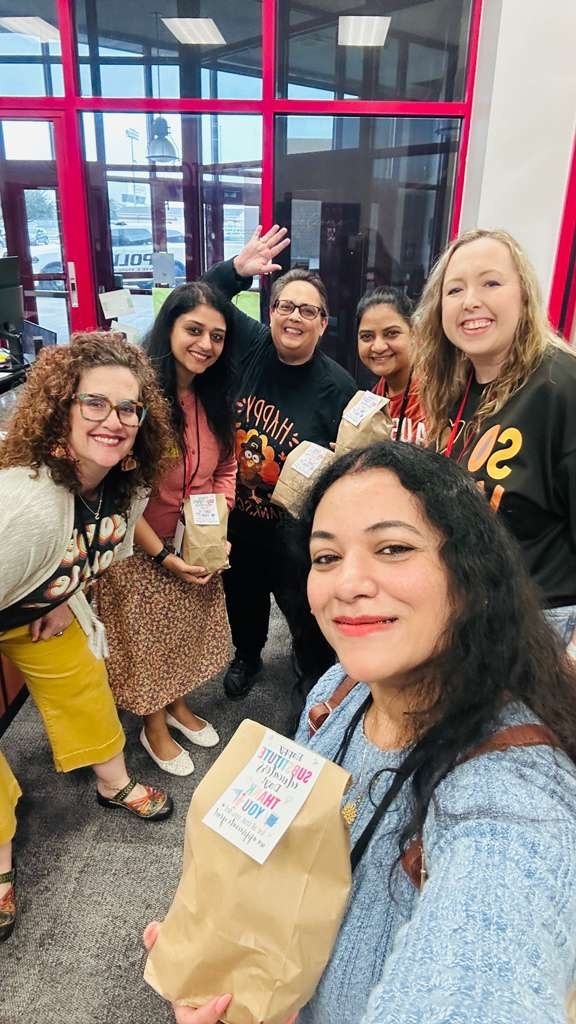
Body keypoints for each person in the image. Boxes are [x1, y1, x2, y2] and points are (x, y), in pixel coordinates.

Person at [145, 441, 576, 1023]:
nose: (347, 584)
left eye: (393, 548)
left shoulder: (511, 798)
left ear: (472, 573)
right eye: (326, 558)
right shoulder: (335, 693)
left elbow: (488, 959)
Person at [0, 332, 175, 943]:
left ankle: (112, 783)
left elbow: (93, 553)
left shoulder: (124, 486)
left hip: (25, 601)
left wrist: (58, 596)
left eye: (128, 408)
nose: (114, 421)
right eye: (93, 404)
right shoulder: (24, 507)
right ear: (61, 409)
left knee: (82, 680)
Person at [203, 226, 357, 699]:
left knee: (304, 614)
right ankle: (247, 656)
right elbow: (199, 301)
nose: (294, 317)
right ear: (270, 313)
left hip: (296, 535)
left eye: (307, 310)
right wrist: (236, 271)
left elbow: (349, 468)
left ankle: (312, 674)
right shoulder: (249, 346)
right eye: (285, 306)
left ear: (323, 323)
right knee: (242, 601)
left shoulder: (339, 387)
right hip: (240, 522)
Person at [96, 283, 236, 775]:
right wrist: (164, 556)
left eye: (217, 336)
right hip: (141, 549)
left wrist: (215, 525)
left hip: (196, 545)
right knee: (149, 642)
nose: (205, 345)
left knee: (186, 633)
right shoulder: (140, 403)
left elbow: (226, 468)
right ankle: (152, 725)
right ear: (169, 328)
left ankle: (177, 705)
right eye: (193, 330)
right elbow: (124, 495)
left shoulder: (215, 397)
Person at [414, 227, 576, 648]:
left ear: (523, 295)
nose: (470, 301)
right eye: (455, 289)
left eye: (491, 282)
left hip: (538, 631)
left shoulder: (561, 388)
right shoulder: (457, 388)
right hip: (469, 613)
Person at [356, 286, 426, 445]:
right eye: (367, 336)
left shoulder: (440, 395)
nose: (378, 347)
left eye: (391, 333)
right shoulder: (370, 402)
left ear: (415, 334)